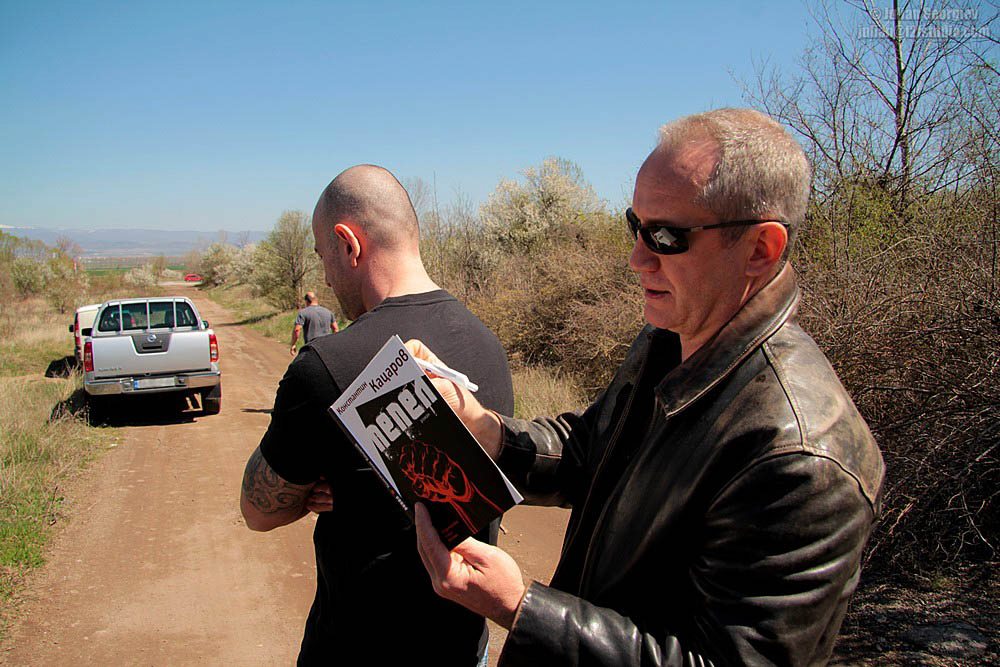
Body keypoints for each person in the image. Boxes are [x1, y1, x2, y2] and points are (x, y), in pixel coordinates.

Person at [408, 108, 886, 666]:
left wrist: (521, 607)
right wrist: (485, 429)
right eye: (634, 226)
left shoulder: (804, 458)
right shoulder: (673, 334)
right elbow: (592, 447)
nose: (637, 259)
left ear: (760, 248)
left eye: (665, 236)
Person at [240, 164, 514, 666]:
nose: (326, 277)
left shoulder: (323, 365)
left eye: (323, 256)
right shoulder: (488, 344)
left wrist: (308, 493)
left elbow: (258, 511)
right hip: (462, 649)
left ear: (349, 244)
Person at [290, 291, 338, 356]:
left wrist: (293, 344)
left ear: (306, 301)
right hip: (326, 346)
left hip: (311, 347)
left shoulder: (303, 313)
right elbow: (335, 329)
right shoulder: (328, 312)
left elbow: (297, 330)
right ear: (316, 300)